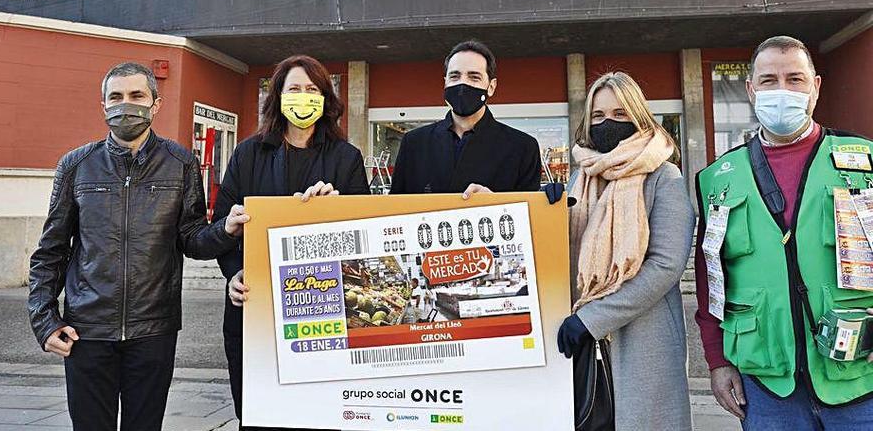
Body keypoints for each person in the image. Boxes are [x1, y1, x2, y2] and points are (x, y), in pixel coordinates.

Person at [27, 62, 248, 431]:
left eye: (136, 96)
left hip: (153, 330)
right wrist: (45, 321)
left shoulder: (180, 163)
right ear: (103, 105)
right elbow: (50, 252)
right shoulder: (76, 166)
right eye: (115, 97)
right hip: (87, 330)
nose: (125, 105)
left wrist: (225, 230)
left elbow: (191, 238)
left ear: (155, 104)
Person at [694, 36, 873, 429]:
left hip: (859, 378)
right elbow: (711, 281)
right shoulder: (717, 179)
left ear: (816, 87)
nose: (782, 91)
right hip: (767, 383)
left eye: (795, 79)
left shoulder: (865, 160)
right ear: (750, 90)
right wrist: (717, 361)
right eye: (769, 80)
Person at [214, 54, 369, 430]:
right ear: (278, 97)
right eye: (294, 89)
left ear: (326, 99)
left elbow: (367, 233)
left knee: (322, 414)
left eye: (312, 90)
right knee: (259, 413)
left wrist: (339, 211)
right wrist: (234, 275)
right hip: (257, 308)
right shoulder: (249, 153)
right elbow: (222, 227)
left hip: (325, 311)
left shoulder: (346, 158)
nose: (303, 97)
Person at [556, 72, 695, 430]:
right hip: (586, 345)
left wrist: (592, 319)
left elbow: (665, 267)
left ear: (638, 117)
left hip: (643, 342)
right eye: (599, 116)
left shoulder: (665, 177)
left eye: (620, 114)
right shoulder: (581, 178)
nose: (608, 124)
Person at [390, 40, 542, 197]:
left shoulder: (522, 147)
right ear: (445, 82)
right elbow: (393, 209)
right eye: (454, 76)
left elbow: (530, 214)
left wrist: (496, 203)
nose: (462, 83)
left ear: (491, 86)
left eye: (474, 77)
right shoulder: (414, 143)